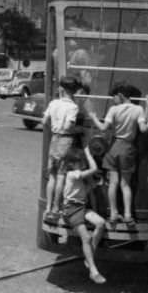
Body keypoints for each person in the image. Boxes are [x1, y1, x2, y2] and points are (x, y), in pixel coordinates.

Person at [92, 83, 148, 226]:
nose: (113, 99)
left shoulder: (113, 109)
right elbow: (143, 129)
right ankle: (127, 215)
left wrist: (94, 117)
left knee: (112, 183)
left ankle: (113, 214)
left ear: (120, 95)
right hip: (128, 148)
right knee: (125, 184)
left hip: (113, 147)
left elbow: (103, 128)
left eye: (114, 96)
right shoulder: (138, 109)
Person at [62, 146, 107, 284]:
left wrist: (94, 184)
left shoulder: (78, 177)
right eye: (79, 162)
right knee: (86, 237)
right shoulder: (72, 174)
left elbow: (85, 189)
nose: (82, 165)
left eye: (82, 162)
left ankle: (89, 257)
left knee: (100, 223)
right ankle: (93, 271)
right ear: (71, 163)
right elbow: (93, 169)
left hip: (81, 207)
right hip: (71, 208)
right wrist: (88, 154)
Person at [42, 75, 84, 222]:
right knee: (61, 176)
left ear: (61, 88)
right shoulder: (73, 107)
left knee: (51, 176)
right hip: (65, 140)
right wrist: (77, 130)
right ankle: (55, 208)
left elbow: (44, 121)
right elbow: (68, 125)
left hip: (54, 139)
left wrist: (54, 128)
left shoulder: (53, 103)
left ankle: (47, 207)